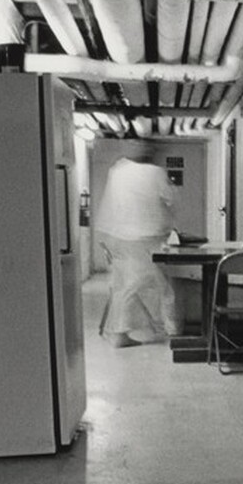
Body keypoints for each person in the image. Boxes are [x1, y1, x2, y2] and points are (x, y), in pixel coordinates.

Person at [97, 144, 178, 348]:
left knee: (128, 286)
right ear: (150, 155)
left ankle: (167, 329)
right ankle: (171, 332)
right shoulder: (155, 173)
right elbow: (171, 198)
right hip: (146, 239)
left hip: (119, 238)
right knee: (149, 287)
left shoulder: (118, 171)